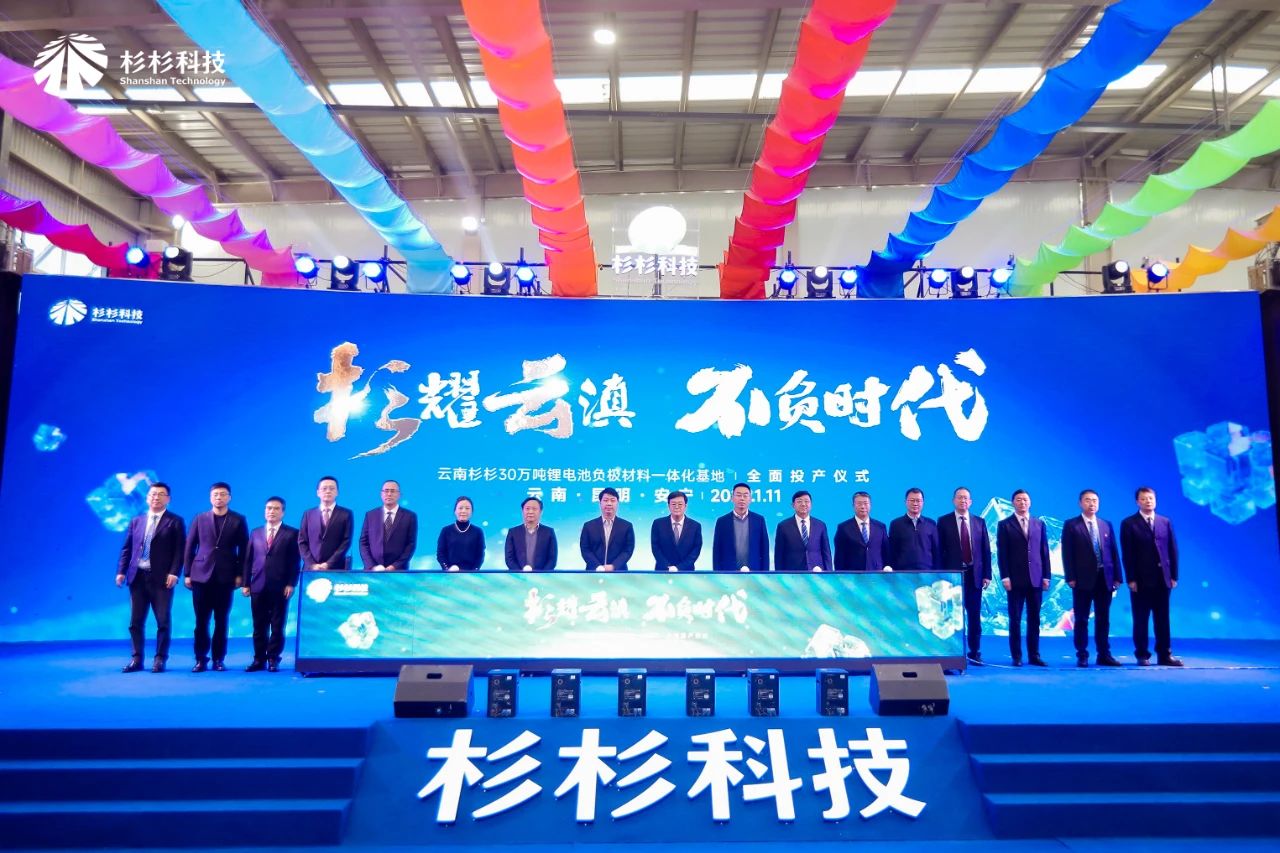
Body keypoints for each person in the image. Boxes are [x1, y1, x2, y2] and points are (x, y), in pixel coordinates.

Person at [115, 482, 186, 673]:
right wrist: (121, 571)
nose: (156, 497)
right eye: (153, 494)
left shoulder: (175, 521)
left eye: (161, 494)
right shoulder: (136, 521)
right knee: (135, 622)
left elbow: (180, 550)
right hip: (137, 577)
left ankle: (160, 659)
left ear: (168, 499)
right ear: (147, 498)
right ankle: (136, 659)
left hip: (162, 579)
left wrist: (174, 573)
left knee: (163, 621)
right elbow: (127, 548)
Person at [183, 482, 248, 672]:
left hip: (226, 577)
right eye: (215, 494)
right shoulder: (200, 518)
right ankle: (200, 659)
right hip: (200, 576)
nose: (219, 497)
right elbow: (190, 546)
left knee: (222, 620)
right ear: (210, 497)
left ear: (229, 497)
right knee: (201, 621)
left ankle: (219, 659)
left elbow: (244, 550)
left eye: (223, 494)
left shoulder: (238, 519)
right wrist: (187, 573)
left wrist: (240, 575)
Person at [1120, 486, 1182, 667]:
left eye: (1151, 498)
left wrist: (1174, 575)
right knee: (1141, 619)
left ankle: (1165, 655)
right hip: (1140, 580)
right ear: (1137, 501)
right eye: (1144, 498)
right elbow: (1127, 553)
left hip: (1163, 578)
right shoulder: (1129, 523)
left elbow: (1173, 550)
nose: (1148, 501)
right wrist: (1131, 578)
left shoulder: (1165, 521)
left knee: (1163, 619)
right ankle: (1142, 654)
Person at [1061, 489, 1123, 668]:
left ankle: (1104, 654)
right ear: (1080, 503)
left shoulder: (1105, 524)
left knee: (1103, 619)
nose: (1092, 504)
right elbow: (1067, 553)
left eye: (1095, 500)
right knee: (1081, 619)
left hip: (1105, 578)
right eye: (1088, 500)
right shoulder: (1071, 525)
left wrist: (1118, 576)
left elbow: (1113, 552)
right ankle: (1082, 654)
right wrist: (1070, 576)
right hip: (1082, 580)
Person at [241, 497, 300, 673]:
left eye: (275, 508)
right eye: (268, 508)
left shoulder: (292, 533)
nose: (271, 511)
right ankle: (258, 659)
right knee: (258, 625)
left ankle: (273, 658)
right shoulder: (255, 533)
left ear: (283, 512)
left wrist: (291, 583)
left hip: (280, 586)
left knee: (277, 625)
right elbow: (248, 560)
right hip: (257, 585)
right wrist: (246, 583)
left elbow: (295, 561)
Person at [937, 487, 992, 665]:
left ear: (971, 502)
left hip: (974, 576)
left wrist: (987, 575)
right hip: (952, 577)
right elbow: (939, 551)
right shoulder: (943, 522)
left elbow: (986, 550)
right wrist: (941, 575)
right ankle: (951, 652)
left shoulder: (979, 522)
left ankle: (974, 652)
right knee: (951, 616)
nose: (963, 501)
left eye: (966, 498)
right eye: (960, 497)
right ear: (953, 500)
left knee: (974, 616)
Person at [997, 489, 1051, 667]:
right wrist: (1005, 576)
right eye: (1019, 500)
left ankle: (1034, 655)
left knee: (1034, 619)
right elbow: (1002, 553)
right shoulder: (1005, 525)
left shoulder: (1039, 524)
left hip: (1036, 578)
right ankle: (1017, 656)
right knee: (1015, 619)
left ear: (1030, 502)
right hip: (1014, 580)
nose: (1022, 502)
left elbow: (1044, 551)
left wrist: (1046, 576)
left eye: (1025, 500)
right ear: (1013, 502)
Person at [358, 480, 418, 571]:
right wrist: (372, 566)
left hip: (398, 571)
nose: (389, 494)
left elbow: (410, 545)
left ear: (399, 494)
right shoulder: (370, 515)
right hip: (372, 571)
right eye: (386, 491)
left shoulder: (409, 516)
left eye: (393, 491)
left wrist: (395, 566)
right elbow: (363, 542)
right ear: (381, 494)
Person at [298, 476, 353, 571]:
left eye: (332, 488)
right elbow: (302, 541)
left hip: (336, 569)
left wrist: (329, 564)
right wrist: (312, 564)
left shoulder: (346, 514)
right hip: (311, 570)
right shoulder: (308, 514)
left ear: (337, 492)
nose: (328, 491)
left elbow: (346, 542)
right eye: (324, 488)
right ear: (318, 493)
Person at [712, 482, 769, 571]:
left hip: (754, 572)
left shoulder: (759, 520)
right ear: (732, 498)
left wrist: (765, 573)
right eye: (738, 495)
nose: (742, 498)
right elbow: (717, 551)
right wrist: (717, 573)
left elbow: (764, 550)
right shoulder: (722, 522)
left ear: (750, 499)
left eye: (745, 496)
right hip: (728, 573)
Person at [774, 490, 832, 572]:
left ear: (811, 504)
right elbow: (779, 555)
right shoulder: (783, 526)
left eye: (806, 501)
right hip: (793, 573)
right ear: (793, 505)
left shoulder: (820, 525)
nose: (803, 504)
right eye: (799, 501)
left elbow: (826, 552)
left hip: (817, 572)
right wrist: (779, 575)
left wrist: (829, 572)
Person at [580, 487, 635, 571]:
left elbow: (627, 551)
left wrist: (613, 566)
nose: (609, 503)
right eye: (605, 500)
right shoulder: (588, 526)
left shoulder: (627, 526)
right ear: (600, 503)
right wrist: (598, 567)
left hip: (619, 572)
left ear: (617, 503)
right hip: (593, 572)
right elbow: (585, 550)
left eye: (613, 500)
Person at [886, 488, 940, 571]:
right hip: (903, 573)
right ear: (905, 502)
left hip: (927, 572)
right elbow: (892, 551)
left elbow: (936, 551)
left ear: (923, 502)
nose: (915, 503)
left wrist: (937, 572)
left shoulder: (931, 524)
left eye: (918, 501)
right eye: (912, 500)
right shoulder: (896, 524)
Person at [834, 491, 888, 572]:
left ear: (870, 505)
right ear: (853, 506)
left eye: (866, 503)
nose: (863, 506)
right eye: (859, 503)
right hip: (853, 575)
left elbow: (886, 552)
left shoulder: (880, 527)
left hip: (877, 574)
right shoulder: (843, 528)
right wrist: (841, 576)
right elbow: (839, 556)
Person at [651, 490, 702, 571]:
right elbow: (655, 548)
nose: (677, 507)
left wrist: (679, 568)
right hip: (663, 571)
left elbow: (696, 550)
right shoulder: (658, 524)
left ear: (685, 506)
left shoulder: (695, 526)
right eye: (673, 504)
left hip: (686, 571)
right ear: (668, 506)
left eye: (680, 504)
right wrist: (668, 567)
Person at [504, 496, 558, 571]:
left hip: (542, 576)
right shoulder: (513, 532)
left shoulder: (549, 532)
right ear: (522, 511)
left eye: (534, 509)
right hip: (518, 575)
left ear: (541, 512)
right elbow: (509, 558)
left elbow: (552, 559)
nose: (530, 512)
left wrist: (542, 574)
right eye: (527, 509)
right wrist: (520, 573)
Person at [436, 495, 485, 571]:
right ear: (455, 511)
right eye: (460, 508)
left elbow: (480, 555)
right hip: (450, 573)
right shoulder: (446, 530)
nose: (463, 511)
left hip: (471, 574)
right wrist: (448, 569)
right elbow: (440, 554)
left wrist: (474, 572)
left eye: (467, 508)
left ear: (472, 512)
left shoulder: (478, 531)